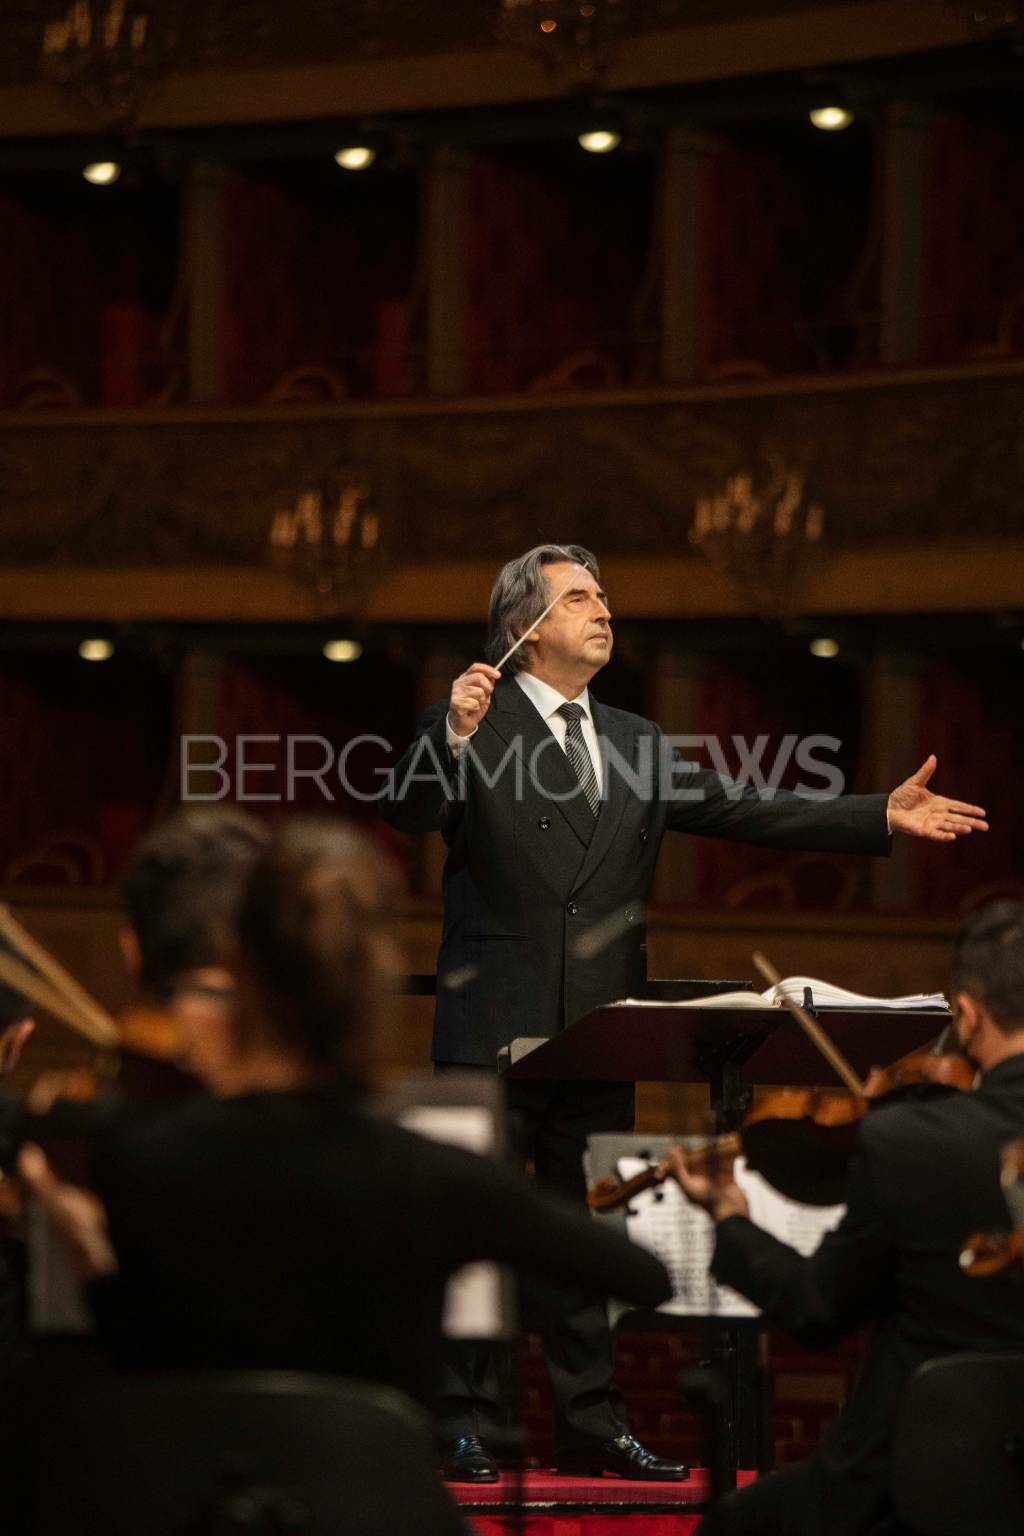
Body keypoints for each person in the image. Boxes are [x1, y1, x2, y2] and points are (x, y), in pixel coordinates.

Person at [380, 541, 988, 1483]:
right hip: (492, 1026)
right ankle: (459, 1420)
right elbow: (412, 811)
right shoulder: (472, 719)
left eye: (604, 594)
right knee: (478, 1235)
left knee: (587, 1237)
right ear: (524, 629)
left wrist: (876, 816)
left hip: (597, 1030)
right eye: (580, 598)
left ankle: (588, 1422)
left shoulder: (634, 741)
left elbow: (750, 807)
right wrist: (452, 735)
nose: (603, 608)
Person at [22, 819, 672, 1426]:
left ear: (240, 974)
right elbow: (641, 1276)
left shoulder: (131, 1156)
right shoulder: (435, 1176)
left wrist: (91, 1260)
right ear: (368, 991)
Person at [667, 899, 1024, 1536]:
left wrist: (732, 1217)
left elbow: (818, 1311)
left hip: (913, 1482)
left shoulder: (908, 1142)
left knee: (735, 1526)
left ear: (967, 1017)